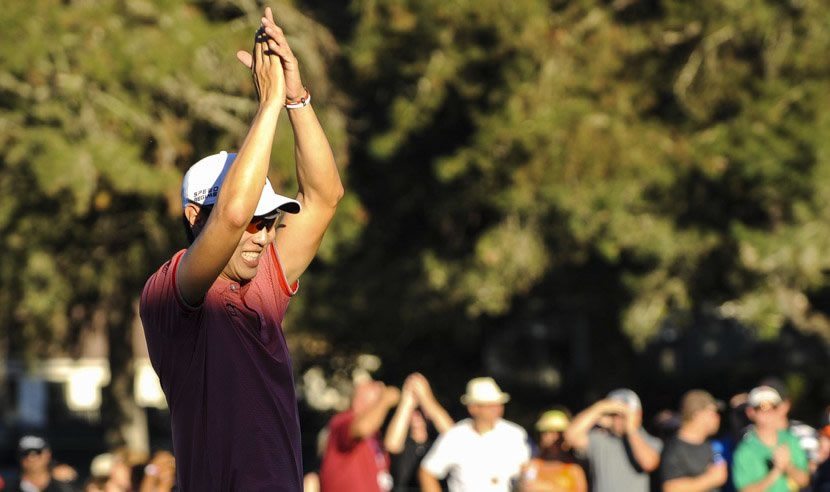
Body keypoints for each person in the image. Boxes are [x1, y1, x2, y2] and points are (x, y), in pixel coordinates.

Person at [139, 6, 343, 490]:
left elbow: (324, 197)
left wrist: (294, 99)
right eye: (255, 221)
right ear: (194, 216)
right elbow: (231, 217)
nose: (263, 235)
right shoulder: (168, 292)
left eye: (269, 222)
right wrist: (267, 105)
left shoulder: (265, 280)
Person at [419, 377, 531, 492]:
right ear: (473, 408)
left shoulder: (514, 434)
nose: (497, 409)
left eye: (498, 404)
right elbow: (427, 472)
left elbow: (527, 471)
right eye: (489, 405)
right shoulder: (456, 437)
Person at [564, 388, 662, 492]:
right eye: (615, 414)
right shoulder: (599, 439)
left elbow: (648, 463)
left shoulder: (650, 440)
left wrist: (631, 429)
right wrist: (599, 408)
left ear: (639, 415)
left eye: (624, 416)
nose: (619, 419)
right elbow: (570, 437)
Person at [319, 379, 401, 492]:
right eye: (372, 385)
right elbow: (362, 428)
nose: (380, 386)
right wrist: (385, 400)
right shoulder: (343, 420)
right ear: (359, 396)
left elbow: (394, 446)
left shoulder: (375, 434)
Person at [383, 373, 454, 491]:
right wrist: (407, 402)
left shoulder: (438, 440)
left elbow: (455, 436)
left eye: (420, 409)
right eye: (414, 410)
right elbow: (392, 445)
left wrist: (426, 399)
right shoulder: (402, 441)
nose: (417, 414)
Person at [731, 385, 809, 492]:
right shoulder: (744, 450)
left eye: (773, 407)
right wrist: (776, 471)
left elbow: (804, 480)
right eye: (760, 408)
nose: (768, 413)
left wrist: (788, 466)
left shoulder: (790, 440)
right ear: (750, 412)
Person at [661, 390, 728, 492]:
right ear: (697, 414)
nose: (718, 418)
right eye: (713, 413)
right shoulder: (674, 449)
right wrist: (711, 479)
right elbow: (671, 488)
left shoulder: (708, 444)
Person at [520, 408, 588, 492]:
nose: (554, 438)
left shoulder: (573, 468)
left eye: (558, 433)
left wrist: (547, 488)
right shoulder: (533, 466)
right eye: (547, 432)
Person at [8, 435, 78, 492]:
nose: (31, 458)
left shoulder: (64, 484)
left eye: (37, 452)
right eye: (25, 453)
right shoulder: (10, 486)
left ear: (48, 455)